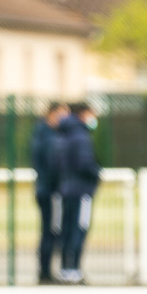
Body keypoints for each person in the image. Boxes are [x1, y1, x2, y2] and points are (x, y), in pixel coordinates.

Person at [57, 102, 101, 284]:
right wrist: (96, 173)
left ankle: (65, 269)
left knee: (67, 230)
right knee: (78, 229)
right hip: (81, 190)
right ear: (84, 114)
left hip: (66, 189)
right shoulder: (81, 137)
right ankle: (73, 269)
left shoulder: (63, 135)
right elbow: (85, 164)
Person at [30, 102, 68, 284]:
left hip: (47, 189)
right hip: (51, 191)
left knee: (50, 231)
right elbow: (52, 166)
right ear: (52, 114)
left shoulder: (42, 134)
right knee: (51, 232)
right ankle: (45, 273)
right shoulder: (49, 137)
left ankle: (46, 271)